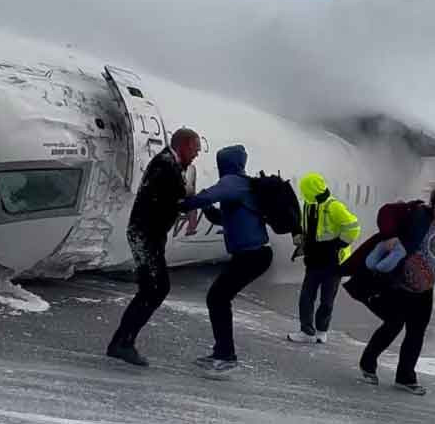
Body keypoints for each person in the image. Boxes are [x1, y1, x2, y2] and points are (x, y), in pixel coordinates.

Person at [106, 128, 201, 366]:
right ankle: (122, 343)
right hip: (145, 235)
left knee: (153, 289)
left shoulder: (170, 164)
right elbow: (181, 199)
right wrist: (202, 202)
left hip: (149, 234)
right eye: (195, 148)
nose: (197, 154)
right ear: (184, 145)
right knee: (155, 288)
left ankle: (122, 341)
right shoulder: (167, 165)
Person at [357, 184, 435, 396]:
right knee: (393, 325)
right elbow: (386, 211)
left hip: (425, 290)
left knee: (416, 333)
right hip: (400, 285)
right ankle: (368, 362)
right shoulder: (418, 215)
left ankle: (405, 377)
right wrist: (389, 237)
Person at [179, 144, 273, 374]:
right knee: (219, 298)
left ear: (226, 163)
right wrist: (210, 210)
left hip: (252, 256)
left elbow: (209, 195)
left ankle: (226, 355)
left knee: (218, 298)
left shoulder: (233, 182)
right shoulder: (245, 184)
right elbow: (227, 219)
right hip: (256, 254)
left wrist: (183, 203)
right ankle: (223, 352)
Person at [287, 173, 362, 344]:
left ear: (312, 189)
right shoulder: (308, 205)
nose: (302, 192)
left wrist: (339, 244)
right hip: (314, 259)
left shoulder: (333, 206)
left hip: (333, 262)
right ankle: (306, 331)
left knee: (327, 300)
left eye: (305, 188)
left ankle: (321, 331)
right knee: (306, 296)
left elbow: (353, 226)